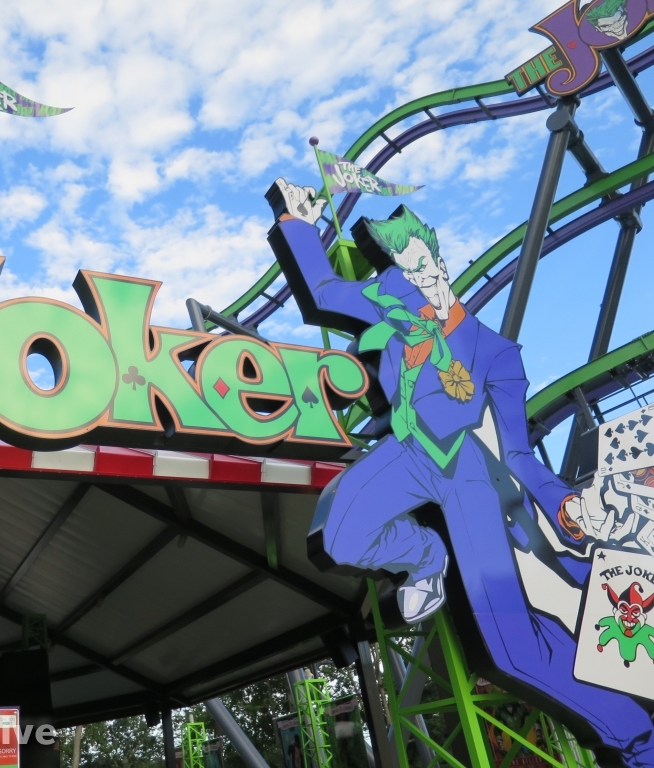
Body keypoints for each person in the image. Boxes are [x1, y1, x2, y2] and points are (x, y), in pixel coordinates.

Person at [266, 179, 653, 768]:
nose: (415, 281)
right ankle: (426, 558)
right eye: (402, 272)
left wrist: (561, 506)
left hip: (468, 474)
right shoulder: (392, 308)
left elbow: (520, 455)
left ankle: (632, 737)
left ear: (440, 262)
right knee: (340, 532)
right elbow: (320, 290)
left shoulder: (496, 352)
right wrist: (294, 219)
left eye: (421, 268)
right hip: (411, 453)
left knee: (517, 653)